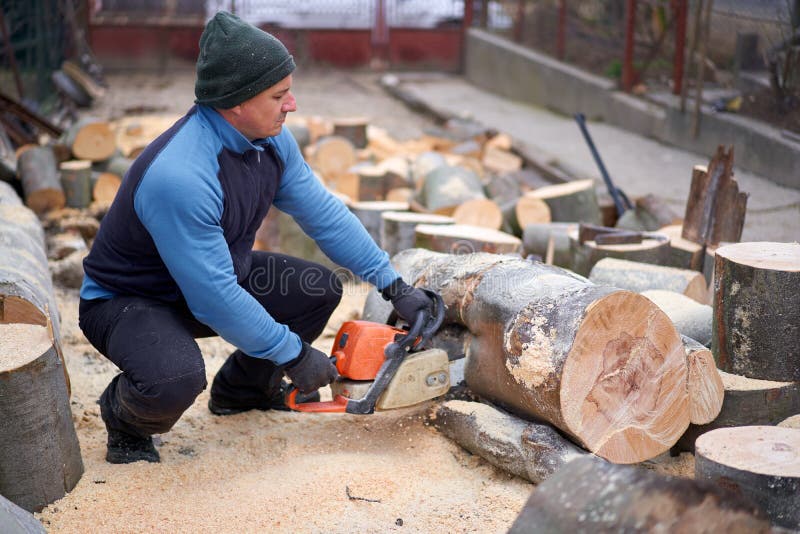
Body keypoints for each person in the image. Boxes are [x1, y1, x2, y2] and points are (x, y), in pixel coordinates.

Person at [78, 11, 438, 464]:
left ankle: (240, 393)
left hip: (214, 277)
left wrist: (393, 285)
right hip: (128, 302)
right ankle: (126, 424)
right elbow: (214, 299)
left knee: (317, 289)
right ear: (236, 103)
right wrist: (293, 354)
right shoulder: (181, 176)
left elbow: (324, 215)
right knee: (175, 377)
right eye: (279, 95)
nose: (292, 105)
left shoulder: (269, 140)